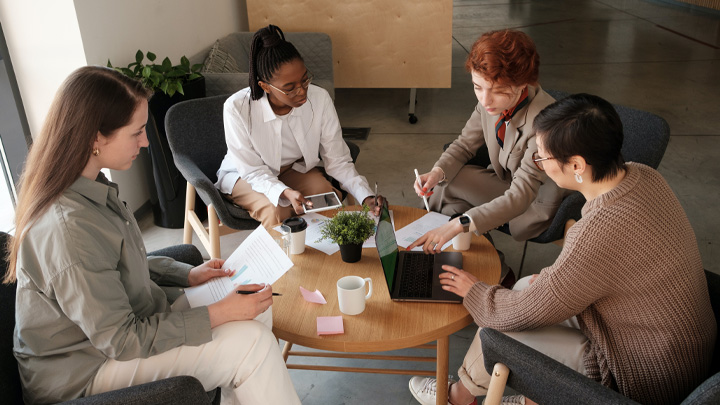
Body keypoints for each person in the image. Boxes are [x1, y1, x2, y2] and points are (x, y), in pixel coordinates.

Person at [7, 66, 301, 404]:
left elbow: (120, 264)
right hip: (86, 370)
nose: (146, 142)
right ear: (95, 138)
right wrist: (221, 313)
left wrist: (187, 274)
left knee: (254, 306)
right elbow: (121, 340)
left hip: (122, 330)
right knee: (252, 344)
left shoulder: (90, 188)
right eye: (137, 132)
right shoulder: (69, 228)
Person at [408, 94, 716, 405]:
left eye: (541, 158)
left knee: (500, 332)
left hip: (643, 378)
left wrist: (474, 290)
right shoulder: (643, 175)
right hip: (674, 347)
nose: (538, 164)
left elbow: (526, 311)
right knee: (528, 285)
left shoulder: (599, 230)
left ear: (577, 165)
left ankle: (456, 399)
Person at [409, 29, 570, 285]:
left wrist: (458, 225)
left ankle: (489, 270)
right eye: (477, 87)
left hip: (534, 203)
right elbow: (463, 145)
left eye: (496, 90)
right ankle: (491, 266)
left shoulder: (545, 123)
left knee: (450, 206)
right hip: (509, 185)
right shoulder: (491, 102)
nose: (485, 100)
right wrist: (437, 172)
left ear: (522, 84)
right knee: (445, 187)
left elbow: (521, 196)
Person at [215, 25, 384, 227]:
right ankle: (286, 258)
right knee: (277, 209)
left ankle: (327, 257)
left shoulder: (319, 98)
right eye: (290, 88)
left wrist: (365, 196)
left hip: (293, 169)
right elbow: (251, 171)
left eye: (304, 80)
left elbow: (338, 160)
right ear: (265, 86)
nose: (302, 91)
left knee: (328, 200)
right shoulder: (237, 108)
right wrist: (283, 191)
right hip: (246, 175)